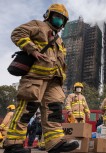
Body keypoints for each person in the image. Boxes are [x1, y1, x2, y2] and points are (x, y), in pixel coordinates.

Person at [3, 4, 79, 153]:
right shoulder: (38, 25)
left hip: (54, 80)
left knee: (54, 110)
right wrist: (32, 49)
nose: (59, 20)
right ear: (49, 15)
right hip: (36, 77)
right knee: (27, 109)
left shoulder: (59, 40)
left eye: (62, 19)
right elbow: (17, 33)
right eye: (56, 16)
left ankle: (54, 142)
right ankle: (13, 143)